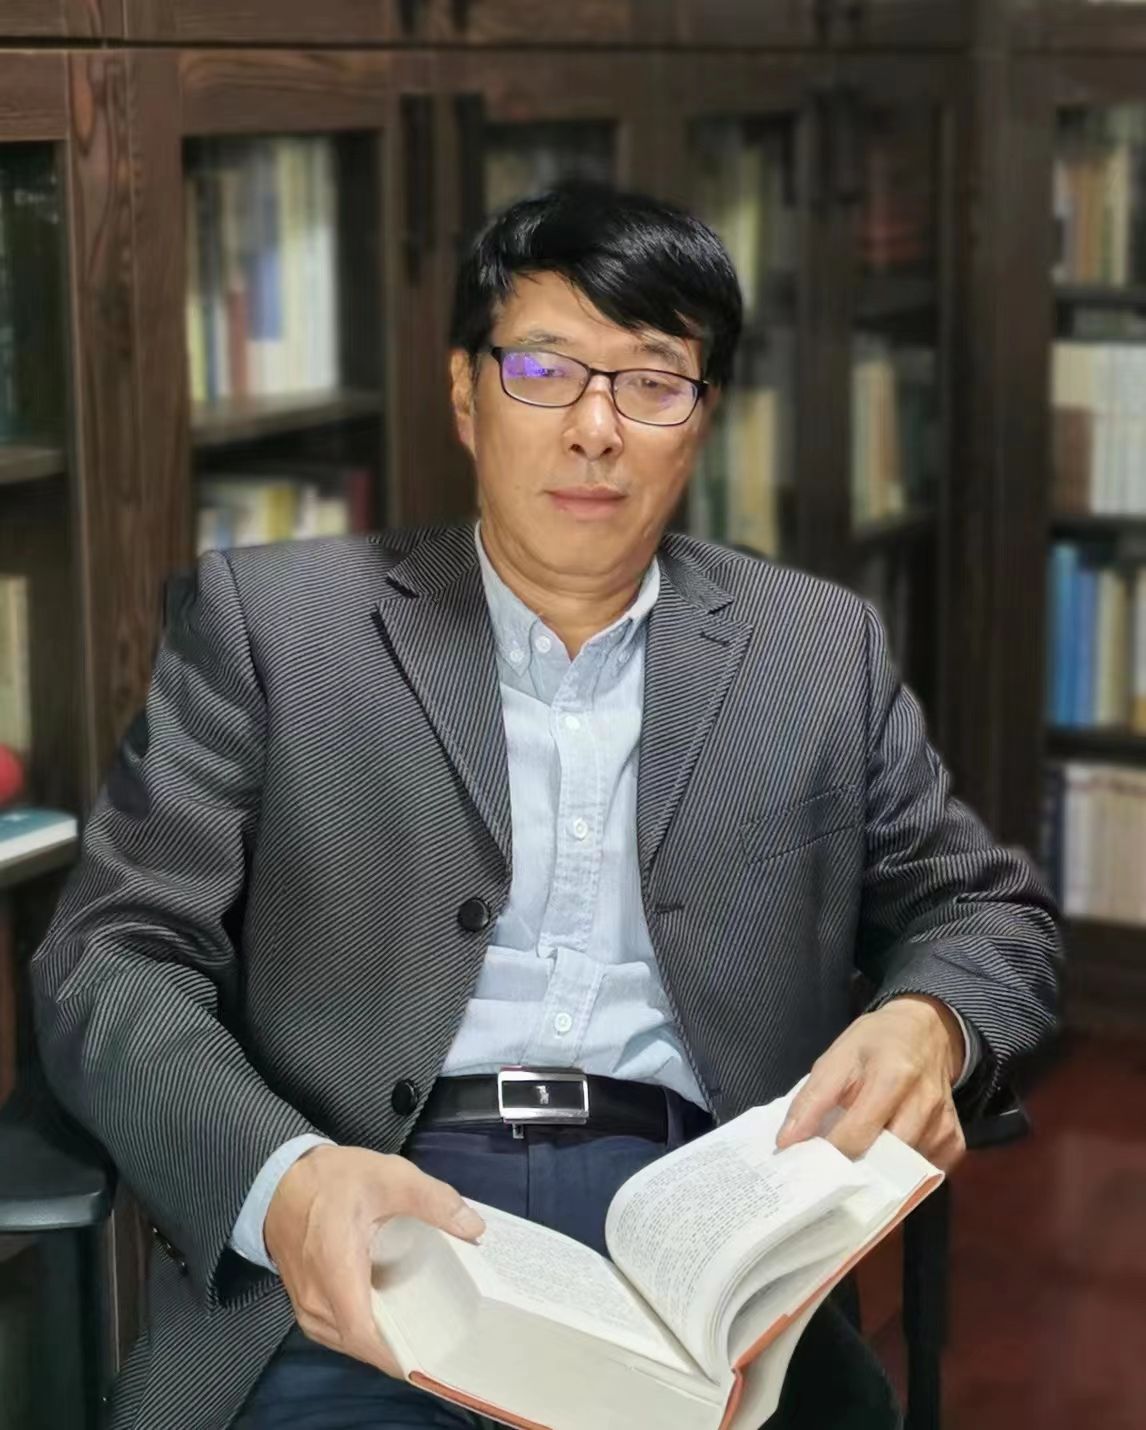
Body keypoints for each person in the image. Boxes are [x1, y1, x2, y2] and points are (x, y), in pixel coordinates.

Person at [31, 181, 1060, 1430]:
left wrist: (932, 1022)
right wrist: (285, 1179)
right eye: (544, 369)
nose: (595, 428)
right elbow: (110, 955)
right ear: (466, 395)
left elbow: (985, 910)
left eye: (653, 380)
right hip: (371, 1216)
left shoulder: (812, 648)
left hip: (689, 1220)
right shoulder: (275, 624)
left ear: (703, 418)